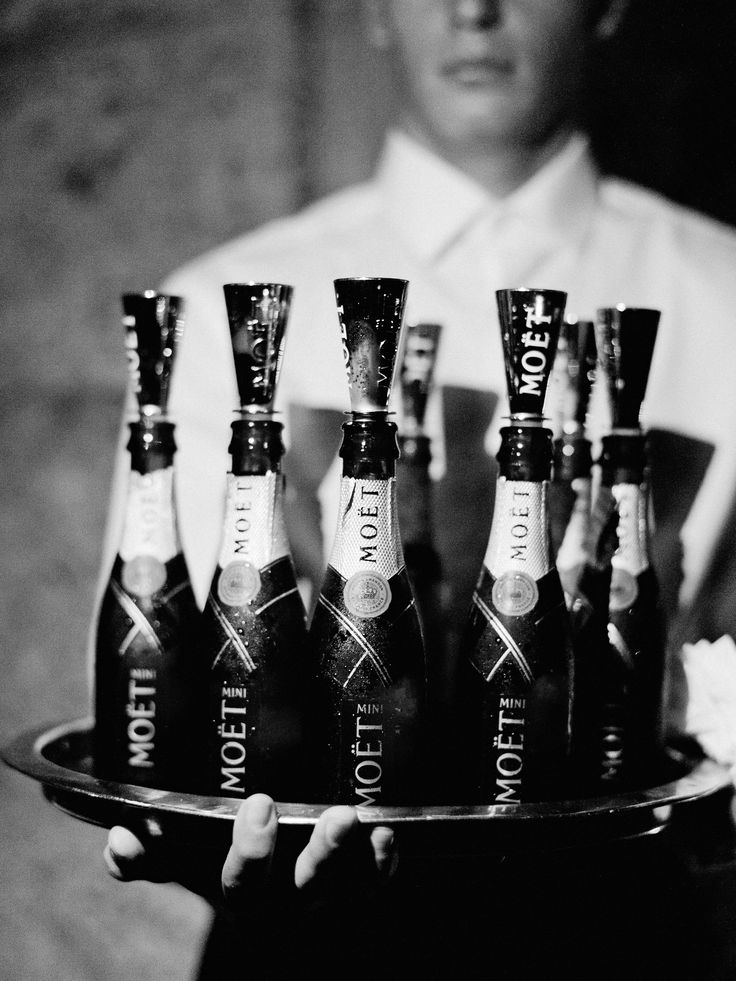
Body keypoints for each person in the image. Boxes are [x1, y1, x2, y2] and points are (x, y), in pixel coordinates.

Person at [102, 1, 736, 977]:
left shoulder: (724, 300)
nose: (471, 9)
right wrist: (184, 825)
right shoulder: (219, 303)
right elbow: (161, 693)